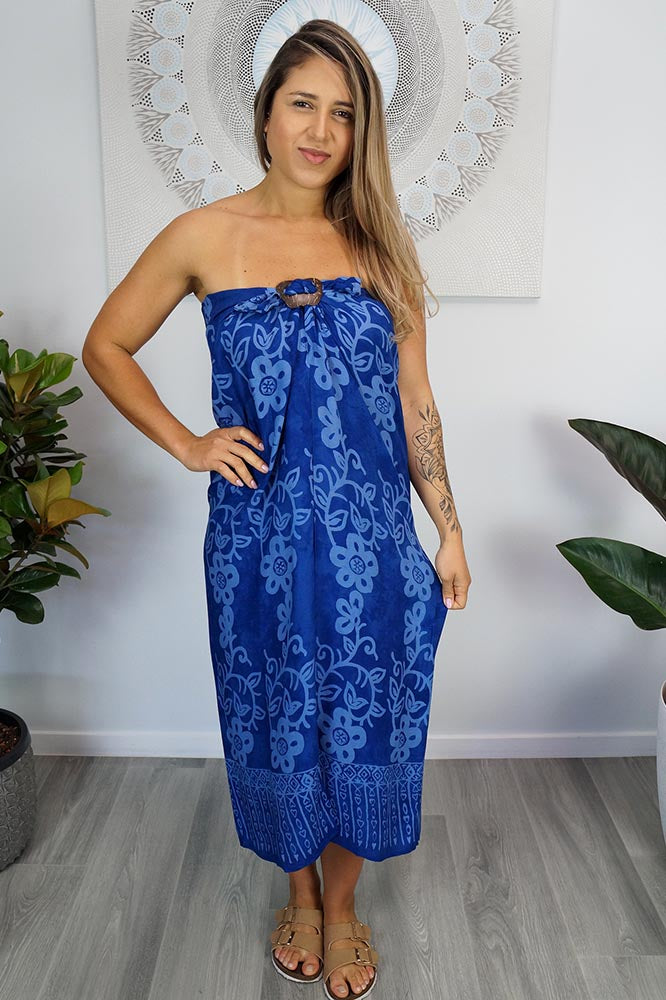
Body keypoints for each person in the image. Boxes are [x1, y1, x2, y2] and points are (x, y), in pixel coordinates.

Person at [83, 18, 471, 1000]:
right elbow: (106, 345)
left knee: (369, 727)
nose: (321, 130)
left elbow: (415, 402)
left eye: (344, 113)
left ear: (362, 131)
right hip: (256, 546)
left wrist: (449, 526)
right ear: (265, 113)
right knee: (275, 721)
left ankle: (341, 907)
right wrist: (189, 443)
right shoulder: (202, 236)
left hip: (373, 548)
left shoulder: (382, 245)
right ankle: (297, 893)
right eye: (303, 103)